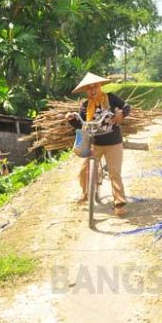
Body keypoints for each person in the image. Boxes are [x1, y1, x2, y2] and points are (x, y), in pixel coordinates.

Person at [65, 72, 131, 217]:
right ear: (86, 91)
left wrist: (121, 114)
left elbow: (127, 107)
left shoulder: (111, 98)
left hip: (114, 143)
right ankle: (86, 193)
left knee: (114, 173)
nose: (92, 90)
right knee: (83, 171)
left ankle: (119, 203)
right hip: (95, 144)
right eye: (89, 88)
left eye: (95, 87)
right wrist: (71, 119)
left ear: (100, 86)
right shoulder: (85, 105)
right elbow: (81, 124)